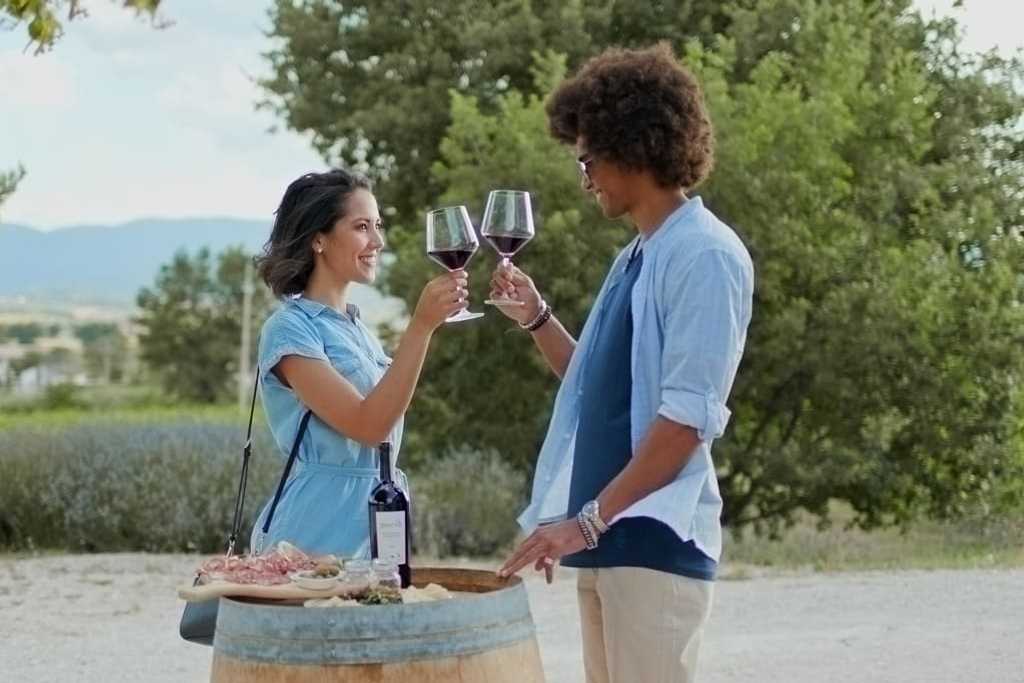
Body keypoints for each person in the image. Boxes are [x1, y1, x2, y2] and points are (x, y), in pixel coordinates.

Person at [495, 44, 754, 683]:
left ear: (633, 144)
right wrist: (536, 317)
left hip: (652, 543)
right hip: (610, 538)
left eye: (588, 160)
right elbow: (597, 388)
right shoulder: (640, 254)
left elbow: (686, 421)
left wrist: (583, 523)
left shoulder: (705, 255)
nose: (585, 180)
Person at [249, 168, 469, 558]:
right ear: (319, 238)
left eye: (378, 225)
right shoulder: (289, 329)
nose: (378, 241)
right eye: (362, 226)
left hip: (380, 516)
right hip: (317, 527)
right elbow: (369, 426)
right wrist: (421, 327)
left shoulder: (358, 330)